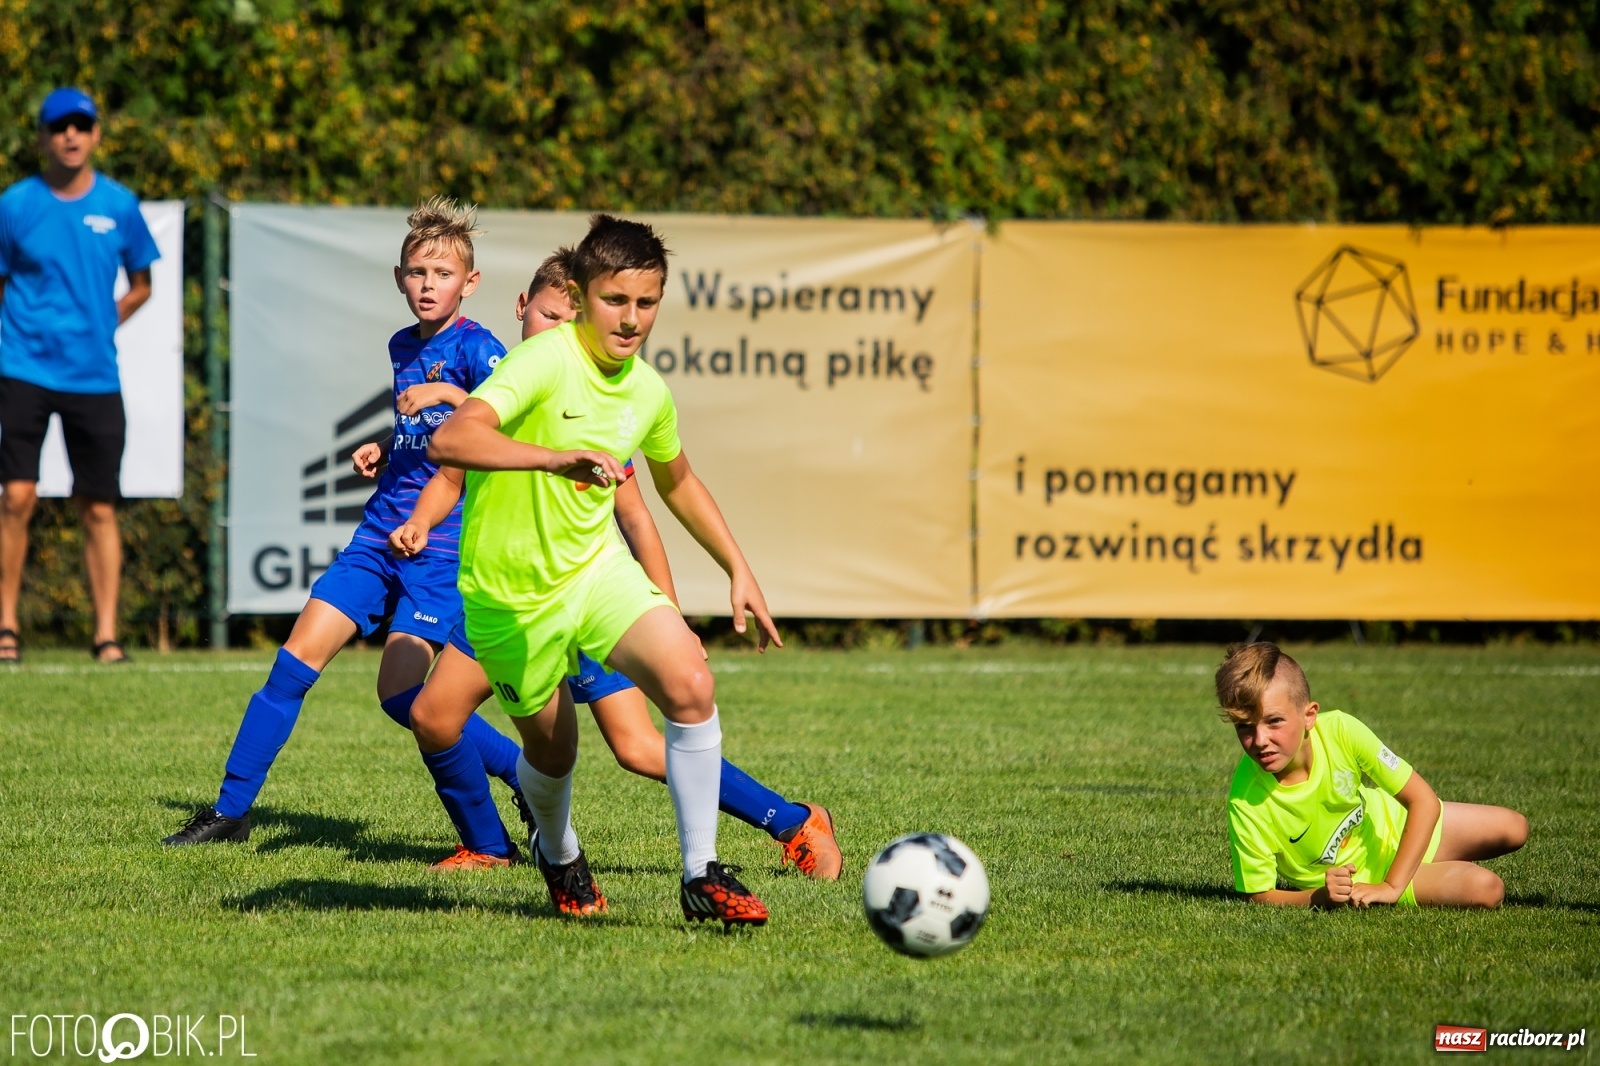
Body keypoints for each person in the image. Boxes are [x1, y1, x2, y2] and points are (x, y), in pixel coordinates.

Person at [393, 249, 841, 887]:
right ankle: (500, 845)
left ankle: (790, 822)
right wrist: (419, 517)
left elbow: (640, 515)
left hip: (585, 590)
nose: (558, 332)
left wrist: (670, 611)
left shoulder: (603, 394)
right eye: (547, 317)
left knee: (636, 747)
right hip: (505, 593)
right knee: (436, 719)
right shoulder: (516, 385)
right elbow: (452, 463)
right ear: (524, 313)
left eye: (565, 319)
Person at [162, 198, 529, 855]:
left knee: (405, 698)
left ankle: (519, 780)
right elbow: (422, 435)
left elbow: (503, 427)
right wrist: (385, 450)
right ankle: (229, 811)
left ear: (469, 284)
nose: (427, 284)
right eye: (417, 272)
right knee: (293, 663)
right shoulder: (400, 345)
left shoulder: (480, 347)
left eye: (442, 274)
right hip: (377, 535)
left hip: (439, 546)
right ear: (398, 278)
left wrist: (450, 397)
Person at [0, 88, 160, 665]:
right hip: (22, 368)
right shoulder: (14, 204)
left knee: (97, 505)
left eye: (81, 125)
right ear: (42, 137)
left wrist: (102, 319)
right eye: (58, 126)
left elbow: (143, 284)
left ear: (95, 135)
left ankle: (107, 636)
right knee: (16, 496)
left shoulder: (119, 204)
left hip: (94, 375)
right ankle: (6, 628)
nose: (70, 135)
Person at [1217, 642, 1528, 909]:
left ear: (1309, 715)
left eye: (1273, 721)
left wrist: (1393, 886)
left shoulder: (1341, 730)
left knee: (1516, 827)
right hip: (1368, 877)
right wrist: (1321, 896)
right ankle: (1433, 876)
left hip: (1396, 825)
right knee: (1487, 890)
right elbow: (1258, 896)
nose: (1259, 740)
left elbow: (1423, 801)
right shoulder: (1245, 800)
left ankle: (1431, 868)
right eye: (1245, 727)